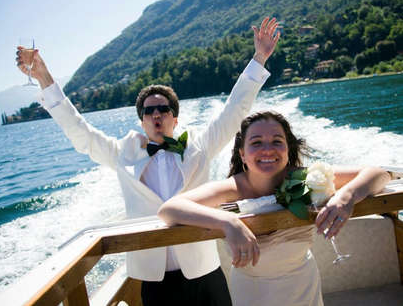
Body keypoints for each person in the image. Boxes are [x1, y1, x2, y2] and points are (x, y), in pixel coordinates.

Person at [16, 17, 280, 305]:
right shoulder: (123, 155)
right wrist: (44, 78)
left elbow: (234, 109)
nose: (156, 114)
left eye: (163, 109)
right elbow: (80, 132)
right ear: (142, 121)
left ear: (175, 118)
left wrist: (259, 58)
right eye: (149, 110)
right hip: (155, 280)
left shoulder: (199, 147)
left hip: (204, 271)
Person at [158, 111, 391, 306]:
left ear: (288, 149)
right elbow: (169, 209)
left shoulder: (305, 178)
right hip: (252, 293)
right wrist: (228, 222)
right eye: (256, 142)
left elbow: (378, 173)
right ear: (242, 154)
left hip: (303, 287)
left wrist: (346, 197)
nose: (267, 149)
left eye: (277, 141)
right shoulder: (232, 187)